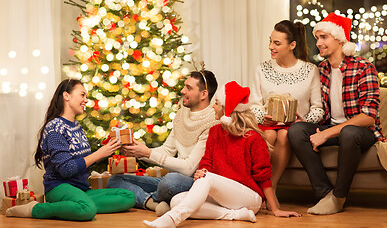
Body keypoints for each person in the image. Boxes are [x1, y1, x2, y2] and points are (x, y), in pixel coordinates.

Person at [143, 81, 301, 228]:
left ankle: (172, 220)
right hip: (221, 197)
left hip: (250, 198)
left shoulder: (253, 138)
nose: (213, 107)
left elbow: (264, 177)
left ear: (228, 109)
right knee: (177, 200)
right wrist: (202, 170)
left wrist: (275, 210)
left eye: (217, 103)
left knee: (207, 178)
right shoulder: (214, 132)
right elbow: (207, 161)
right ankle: (234, 215)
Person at [288, 13, 384, 215]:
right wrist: (305, 120)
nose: (319, 43)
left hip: (361, 132)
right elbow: (320, 109)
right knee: (297, 130)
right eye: (317, 38)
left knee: (348, 132)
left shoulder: (364, 67)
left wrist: (326, 134)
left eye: (324, 37)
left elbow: (368, 116)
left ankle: (339, 198)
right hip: (332, 127)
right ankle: (325, 193)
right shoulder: (321, 69)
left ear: (339, 39)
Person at [5, 79, 135, 221]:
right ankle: (36, 208)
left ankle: (72, 206)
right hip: (59, 187)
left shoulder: (77, 126)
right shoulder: (55, 128)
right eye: (82, 95)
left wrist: (108, 150)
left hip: (81, 189)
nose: (86, 100)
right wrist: (99, 153)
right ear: (67, 96)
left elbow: (85, 163)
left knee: (128, 197)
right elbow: (66, 169)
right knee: (88, 210)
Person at [107, 67, 219, 215]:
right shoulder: (182, 115)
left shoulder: (213, 122)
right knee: (114, 181)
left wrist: (148, 153)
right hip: (170, 180)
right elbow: (167, 150)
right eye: (184, 86)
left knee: (170, 181)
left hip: (193, 182)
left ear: (204, 94)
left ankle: (152, 198)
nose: (182, 91)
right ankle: (153, 203)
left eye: (189, 88)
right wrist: (139, 151)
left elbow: (189, 168)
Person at [250, 20, 324, 205]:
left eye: (276, 43)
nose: (270, 47)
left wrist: (303, 121)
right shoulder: (262, 69)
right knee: (269, 135)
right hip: (266, 124)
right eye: (270, 41)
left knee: (284, 135)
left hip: (295, 126)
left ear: (292, 45)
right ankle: (257, 188)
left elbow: (318, 108)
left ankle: (271, 189)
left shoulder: (310, 70)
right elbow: (255, 104)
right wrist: (262, 117)